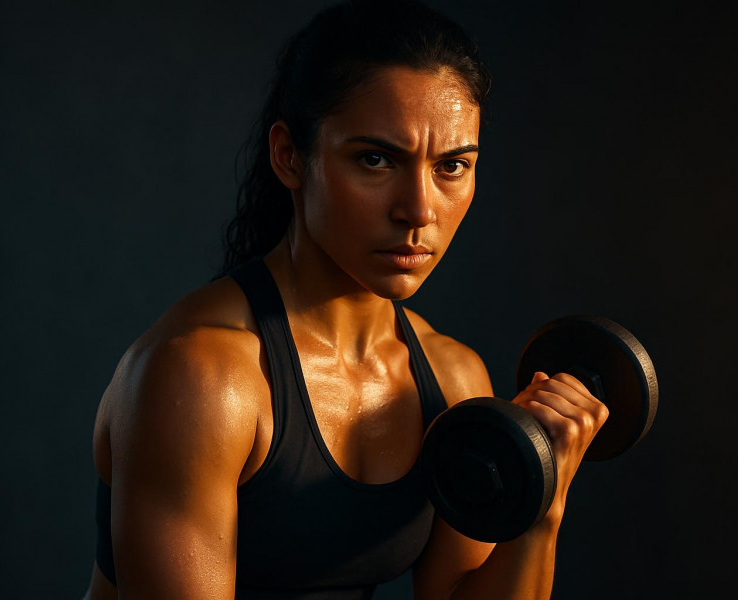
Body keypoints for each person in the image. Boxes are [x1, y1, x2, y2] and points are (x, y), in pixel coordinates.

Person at [83, 1, 608, 598]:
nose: (418, 209)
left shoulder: (452, 378)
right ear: (289, 156)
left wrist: (541, 499)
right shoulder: (205, 377)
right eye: (376, 160)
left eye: (452, 166)